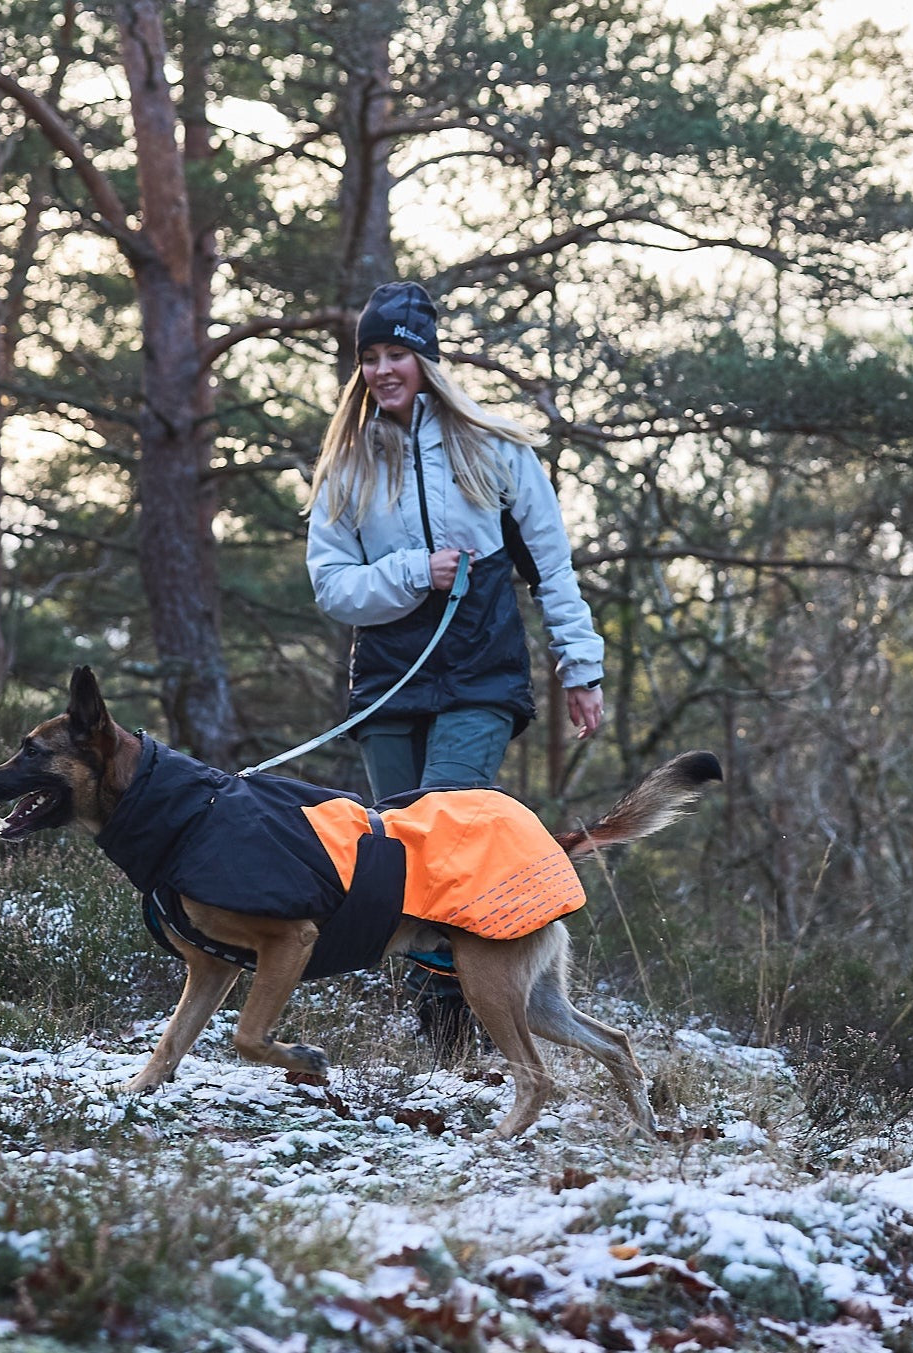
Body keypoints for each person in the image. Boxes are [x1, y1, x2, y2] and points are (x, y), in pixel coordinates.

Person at [305, 279, 605, 1055]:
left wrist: (580, 666)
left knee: (453, 832)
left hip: (479, 673)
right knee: (400, 858)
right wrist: (412, 571)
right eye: (368, 356)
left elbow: (551, 565)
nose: (380, 369)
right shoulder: (345, 463)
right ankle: (441, 1040)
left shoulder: (496, 449)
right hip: (388, 681)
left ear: (427, 360)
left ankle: (477, 1021)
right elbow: (332, 585)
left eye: (395, 352)